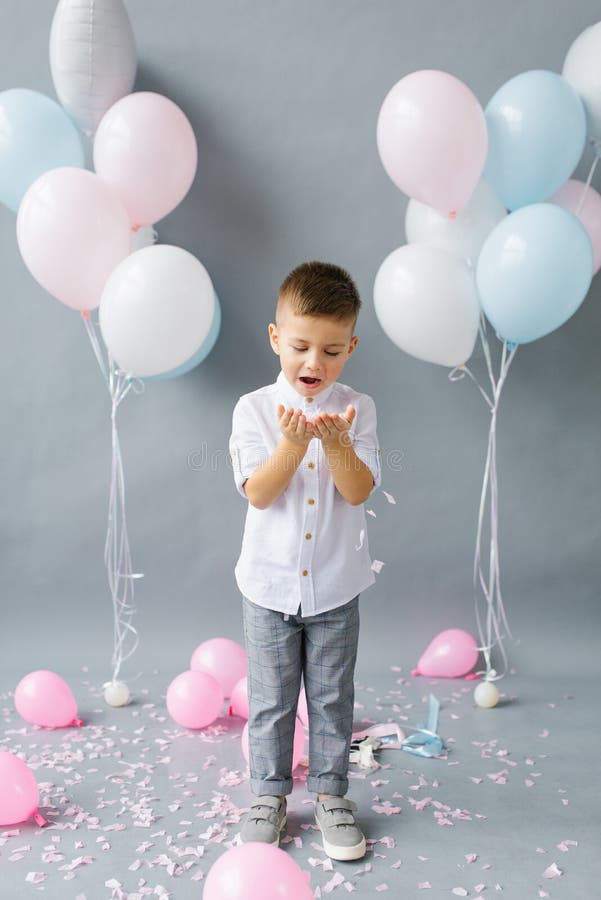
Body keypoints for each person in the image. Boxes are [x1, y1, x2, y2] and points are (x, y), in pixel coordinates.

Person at [228, 260, 381, 861]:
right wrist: (292, 445)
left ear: (351, 347)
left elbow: (358, 490)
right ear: (275, 338)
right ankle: (268, 795)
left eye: (331, 350)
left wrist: (338, 444)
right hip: (267, 588)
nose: (313, 363)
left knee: (330, 696)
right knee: (270, 698)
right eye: (299, 347)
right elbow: (259, 493)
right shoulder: (254, 409)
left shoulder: (357, 408)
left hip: (336, 589)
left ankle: (332, 794)